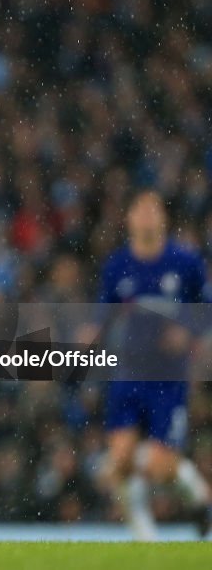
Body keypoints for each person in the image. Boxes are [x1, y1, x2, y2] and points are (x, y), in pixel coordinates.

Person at [95, 190, 210, 540]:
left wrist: (188, 333)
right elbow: (104, 315)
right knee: (120, 460)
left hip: (169, 377)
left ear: (163, 219)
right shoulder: (116, 266)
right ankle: (146, 541)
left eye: (152, 210)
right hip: (127, 373)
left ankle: (200, 497)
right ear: (129, 219)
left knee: (159, 467)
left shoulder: (186, 263)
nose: (146, 217)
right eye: (139, 210)